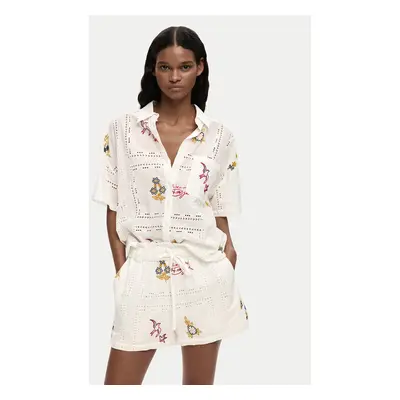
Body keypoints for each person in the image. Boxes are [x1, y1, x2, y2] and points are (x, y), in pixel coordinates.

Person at [92, 25, 249, 385]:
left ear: (200, 68)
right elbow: (112, 206)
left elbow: (220, 210)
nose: (175, 77)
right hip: (143, 274)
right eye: (165, 67)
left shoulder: (220, 137)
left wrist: (228, 258)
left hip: (205, 275)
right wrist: (122, 271)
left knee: (197, 387)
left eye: (184, 67)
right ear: (153, 70)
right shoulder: (123, 130)